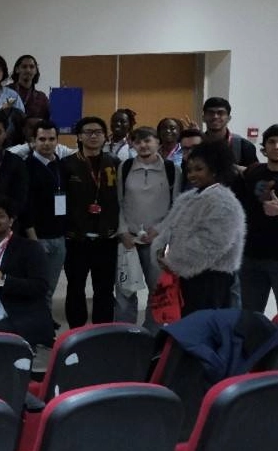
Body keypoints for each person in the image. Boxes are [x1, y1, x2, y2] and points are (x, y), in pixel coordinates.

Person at [152, 140, 246, 315]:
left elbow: (210, 244)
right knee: (186, 322)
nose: (192, 175)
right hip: (187, 275)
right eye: (189, 170)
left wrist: (173, 260)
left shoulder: (223, 202)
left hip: (211, 280)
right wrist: (160, 251)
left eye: (199, 169)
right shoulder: (188, 197)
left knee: (204, 325)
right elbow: (168, 228)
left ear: (215, 170)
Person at [114, 126, 179, 324]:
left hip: (157, 241)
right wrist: (123, 231)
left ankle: (152, 334)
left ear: (158, 142)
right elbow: (118, 202)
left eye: (148, 140)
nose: (143, 145)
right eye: (138, 141)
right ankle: (125, 333)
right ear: (132, 145)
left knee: (157, 292)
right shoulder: (125, 167)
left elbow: (176, 206)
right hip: (128, 240)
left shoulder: (171, 170)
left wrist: (159, 231)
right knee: (124, 292)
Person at [61, 116, 121, 327]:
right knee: (75, 287)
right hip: (76, 238)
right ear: (79, 136)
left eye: (98, 132)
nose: (93, 136)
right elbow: (60, 200)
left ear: (105, 137)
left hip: (107, 237)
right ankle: (76, 332)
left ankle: (102, 332)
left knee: (104, 289)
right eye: (88, 132)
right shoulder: (67, 165)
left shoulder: (115, 163)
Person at [0, 195, 54, 347]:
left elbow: (41, 287)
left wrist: (3, 280)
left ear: (11, 221)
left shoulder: (30, 248)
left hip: (22, 321)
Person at [23, 120, 68, 319]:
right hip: (37, 238)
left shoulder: (60, 165)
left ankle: (45, 321)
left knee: (50, 286)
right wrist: (33, 238)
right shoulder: (26, 167)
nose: (47, 143)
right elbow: (25, 205)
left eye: (51, 139)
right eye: (42, 139)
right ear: (33, 141)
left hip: (59, 236)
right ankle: (40, 325)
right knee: (37, 287)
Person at [238, 124, 278, 313]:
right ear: (264, 147)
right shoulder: (254, 172)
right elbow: (237, 169)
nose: (276, 146)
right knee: (250, 315)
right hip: (251, 257)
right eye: (272, 141)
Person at [201, 97, 259, 168]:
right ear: (203, 118)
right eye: (211, 113)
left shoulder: (244, 147)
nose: (215, 116)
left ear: (228, 118)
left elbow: (255, 173)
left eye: (220, 113)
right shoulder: (196, 144)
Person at [11, 55, 50, 130]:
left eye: (32, 67)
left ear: (36, 71)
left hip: (33, 135)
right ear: (17, 69)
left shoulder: (41, 97)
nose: (28, 70)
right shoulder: (7, 91)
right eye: (24, 67)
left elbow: (47, 121)